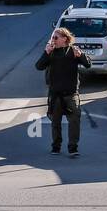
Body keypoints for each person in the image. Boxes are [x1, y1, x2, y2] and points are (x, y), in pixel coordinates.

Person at [36, 27, 91, 157]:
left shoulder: (73, 51)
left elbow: (88, 64)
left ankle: (73, 148)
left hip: (71, 94)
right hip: (55, 95)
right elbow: (38, 66)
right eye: (52, 38)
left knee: (74, 121)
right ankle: (56, 146)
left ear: (65, 39)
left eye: (56, 37)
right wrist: (46, 53)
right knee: (55, 122)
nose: (53, 40)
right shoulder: (51, 52)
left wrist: (81, 55)